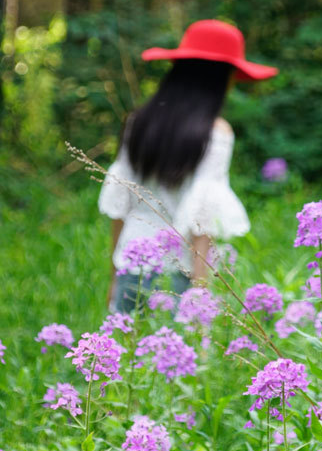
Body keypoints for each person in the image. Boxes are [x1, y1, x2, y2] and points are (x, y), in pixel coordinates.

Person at [99, 19, 278, 314]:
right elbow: (202, 217)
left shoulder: (138, 122)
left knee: (127, 353)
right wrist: (199, 291)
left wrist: (113, 277)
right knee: (175, 356)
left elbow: (120, 204)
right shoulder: (216, 134)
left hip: (132, 261)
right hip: (179, 267)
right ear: (220, 79)